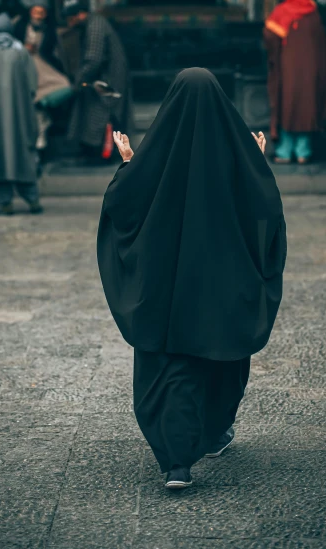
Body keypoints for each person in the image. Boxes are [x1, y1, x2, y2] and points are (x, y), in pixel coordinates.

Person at [97, 68, 287, 489]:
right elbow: (266, 212)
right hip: (221, 288)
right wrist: (255, 163)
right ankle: (214, 432)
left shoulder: (157, 155)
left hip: (166, 293)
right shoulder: (237, 158)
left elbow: (124, 206)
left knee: (171, 362)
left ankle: (176, 463)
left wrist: (129, 164)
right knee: (220, 355)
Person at [0, 13, 43, 215]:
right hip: (19, 117)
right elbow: (32, 83)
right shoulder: (20, 52)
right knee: (22, 155)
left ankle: (5, 203)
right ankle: (32, 200)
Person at [264, 0, 326, 164]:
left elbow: (269, 37)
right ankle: (303, 152)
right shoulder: (314, 15)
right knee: (306, 108)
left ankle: (285, 152)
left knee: (288, 107)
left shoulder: (281, 11)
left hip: (287, 72)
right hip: (311, 72)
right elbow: (322, 47)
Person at [61, 0, 132, 163]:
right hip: (105, 81)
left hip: (108, 82)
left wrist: (77, 82)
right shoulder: (94, 23)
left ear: (80, 14)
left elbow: (93, 59)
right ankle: (97, 153)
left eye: (71, 17)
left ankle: (102, 155)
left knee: (100, 118)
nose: (69, 22)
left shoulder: (95, 26)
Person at [14, 0, 73, 152]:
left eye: (42, 12)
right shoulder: (19, 26)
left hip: (43, 67)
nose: (38, 16)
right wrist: (22, 48)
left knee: (64, 85)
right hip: (23, 67)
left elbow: (55, 52)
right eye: (35, 12)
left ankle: (43, 105)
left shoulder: (49, 30)